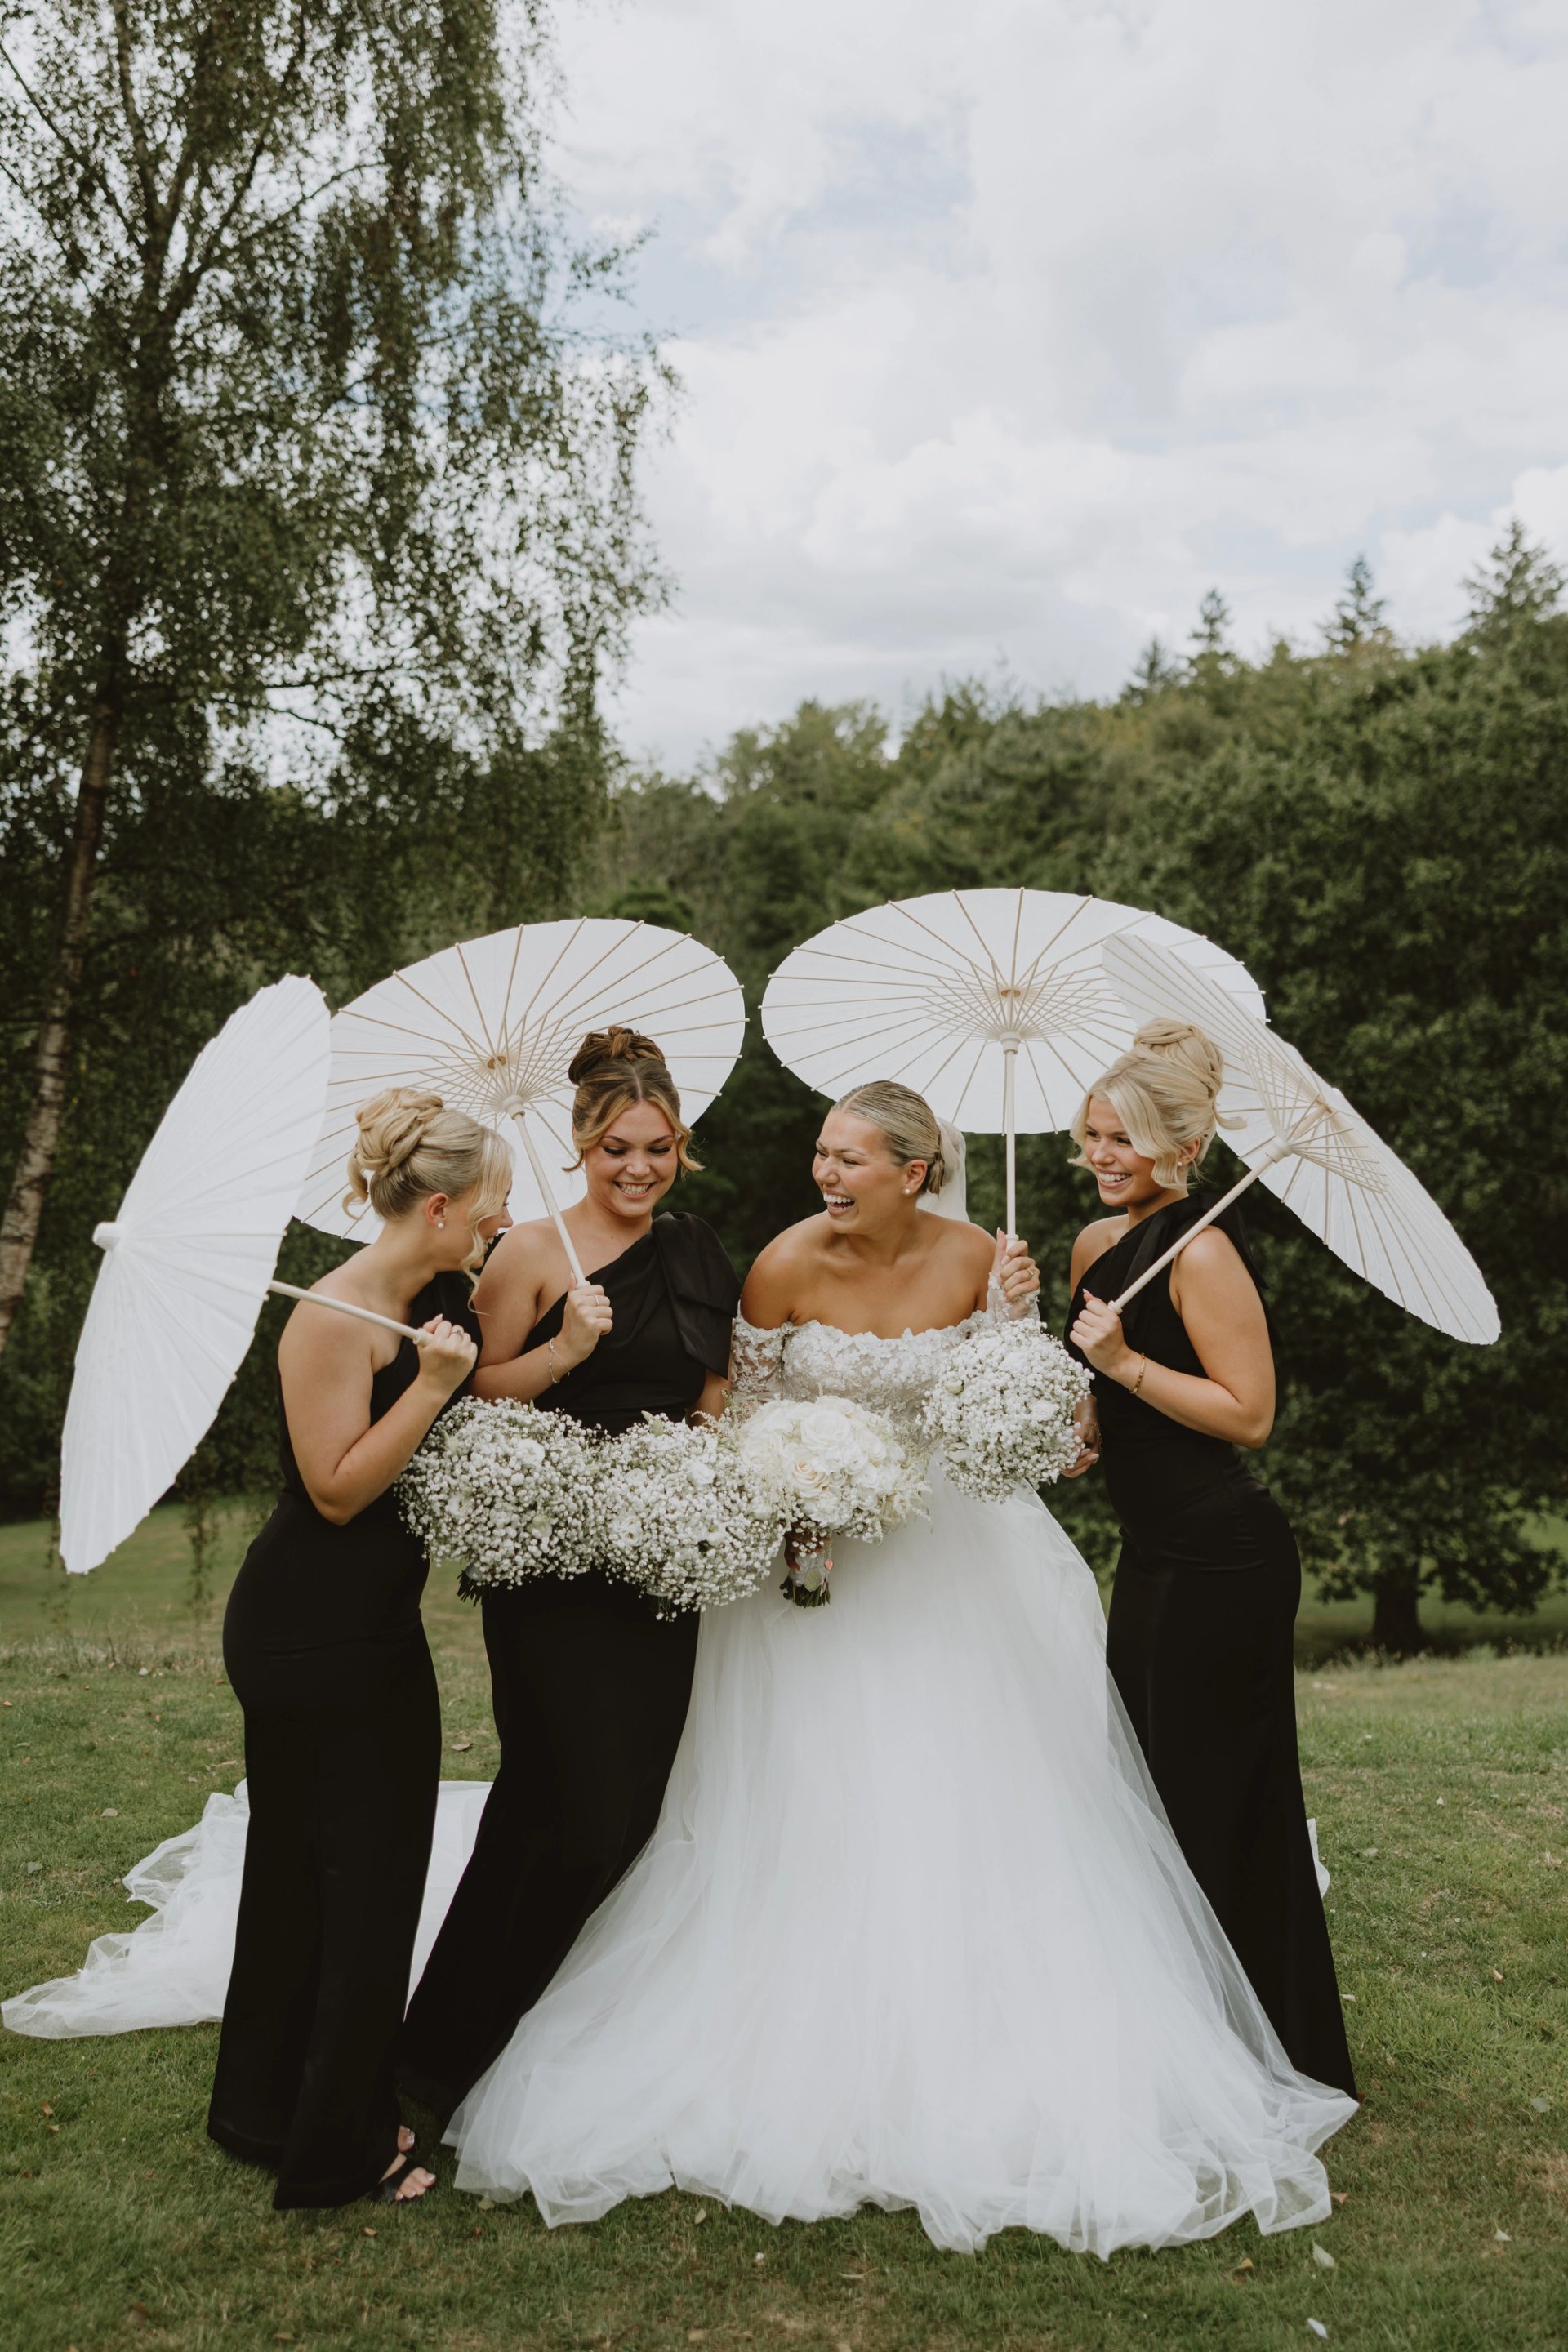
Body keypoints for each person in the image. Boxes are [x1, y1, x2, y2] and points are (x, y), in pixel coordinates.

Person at [441, 1079, 1356, 2256]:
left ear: (916, 1172)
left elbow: (1022, 1412)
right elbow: (743, 1411)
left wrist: (1021, 1334)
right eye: (821, 1155)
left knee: (983, 1795)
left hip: (963, 1564)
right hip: (817, 1572)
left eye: (850, 1160)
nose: (825, 1175)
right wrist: (794, 1488)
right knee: (808, 1798)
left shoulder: (987, 1256)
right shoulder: (778, 1265)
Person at [397, 1027, 738, 2126]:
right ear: (580, 1143)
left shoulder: (697, 1248)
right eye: (618, 1149)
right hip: (548, 1571)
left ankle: (534, 2043)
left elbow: (716, 1389)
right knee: (564, 1810)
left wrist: (689, 1475)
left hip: (656, 1563)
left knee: (625, 1814)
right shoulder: (532, 1253)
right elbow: (472, 1387)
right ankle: (437, 2061)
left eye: (660, 1147)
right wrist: (564, 1353)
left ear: (681, 1144)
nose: (640, 1169)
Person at [207, 1089, 512, 2209]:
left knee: (307, 1877)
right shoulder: (331, 1318)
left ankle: (260, 2107)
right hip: (310, 1632)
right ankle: (340, 2147)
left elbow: (485, 1359)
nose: (496, 1229)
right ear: (437, 1206)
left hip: (369, 1625)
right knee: (363, 1885)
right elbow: (336, 1490)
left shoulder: (435, 1291)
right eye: (488, 1211)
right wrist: (429, 1389)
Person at [1066, 1020, 1357, 2099]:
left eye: (1125, 1142)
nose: (1102, 1157)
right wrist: (1074, 1429)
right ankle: (1175, 2022)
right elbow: (1104, 1421)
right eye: (1093, 1135)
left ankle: (1269, 2048)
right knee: (1144, 1793)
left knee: (1216, 1796)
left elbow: (1249, 1415)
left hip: (1227, 1561)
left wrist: (1127, 1363)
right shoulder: (1096, 1250)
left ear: (1184, 1151)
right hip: (1149, 1557)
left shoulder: (1207, 1251)